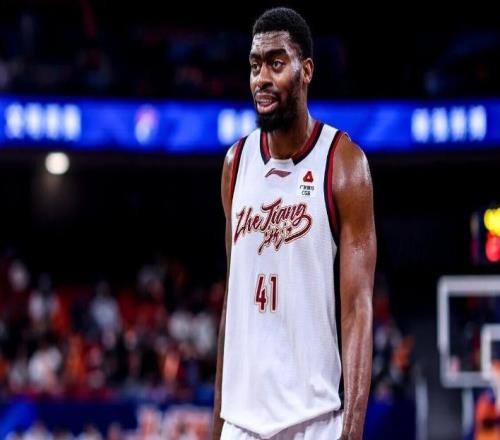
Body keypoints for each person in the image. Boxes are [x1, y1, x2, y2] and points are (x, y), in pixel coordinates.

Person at [213, 7, 376, 440]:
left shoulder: (343, 163)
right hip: (242, 423)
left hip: (314, 421)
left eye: (276, 63)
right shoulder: (235, 164)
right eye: (255, 66)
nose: (261, 79)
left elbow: (358, 309)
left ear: (306, 71)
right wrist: (218, 423)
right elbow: (232, 304)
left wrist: (352, 430)